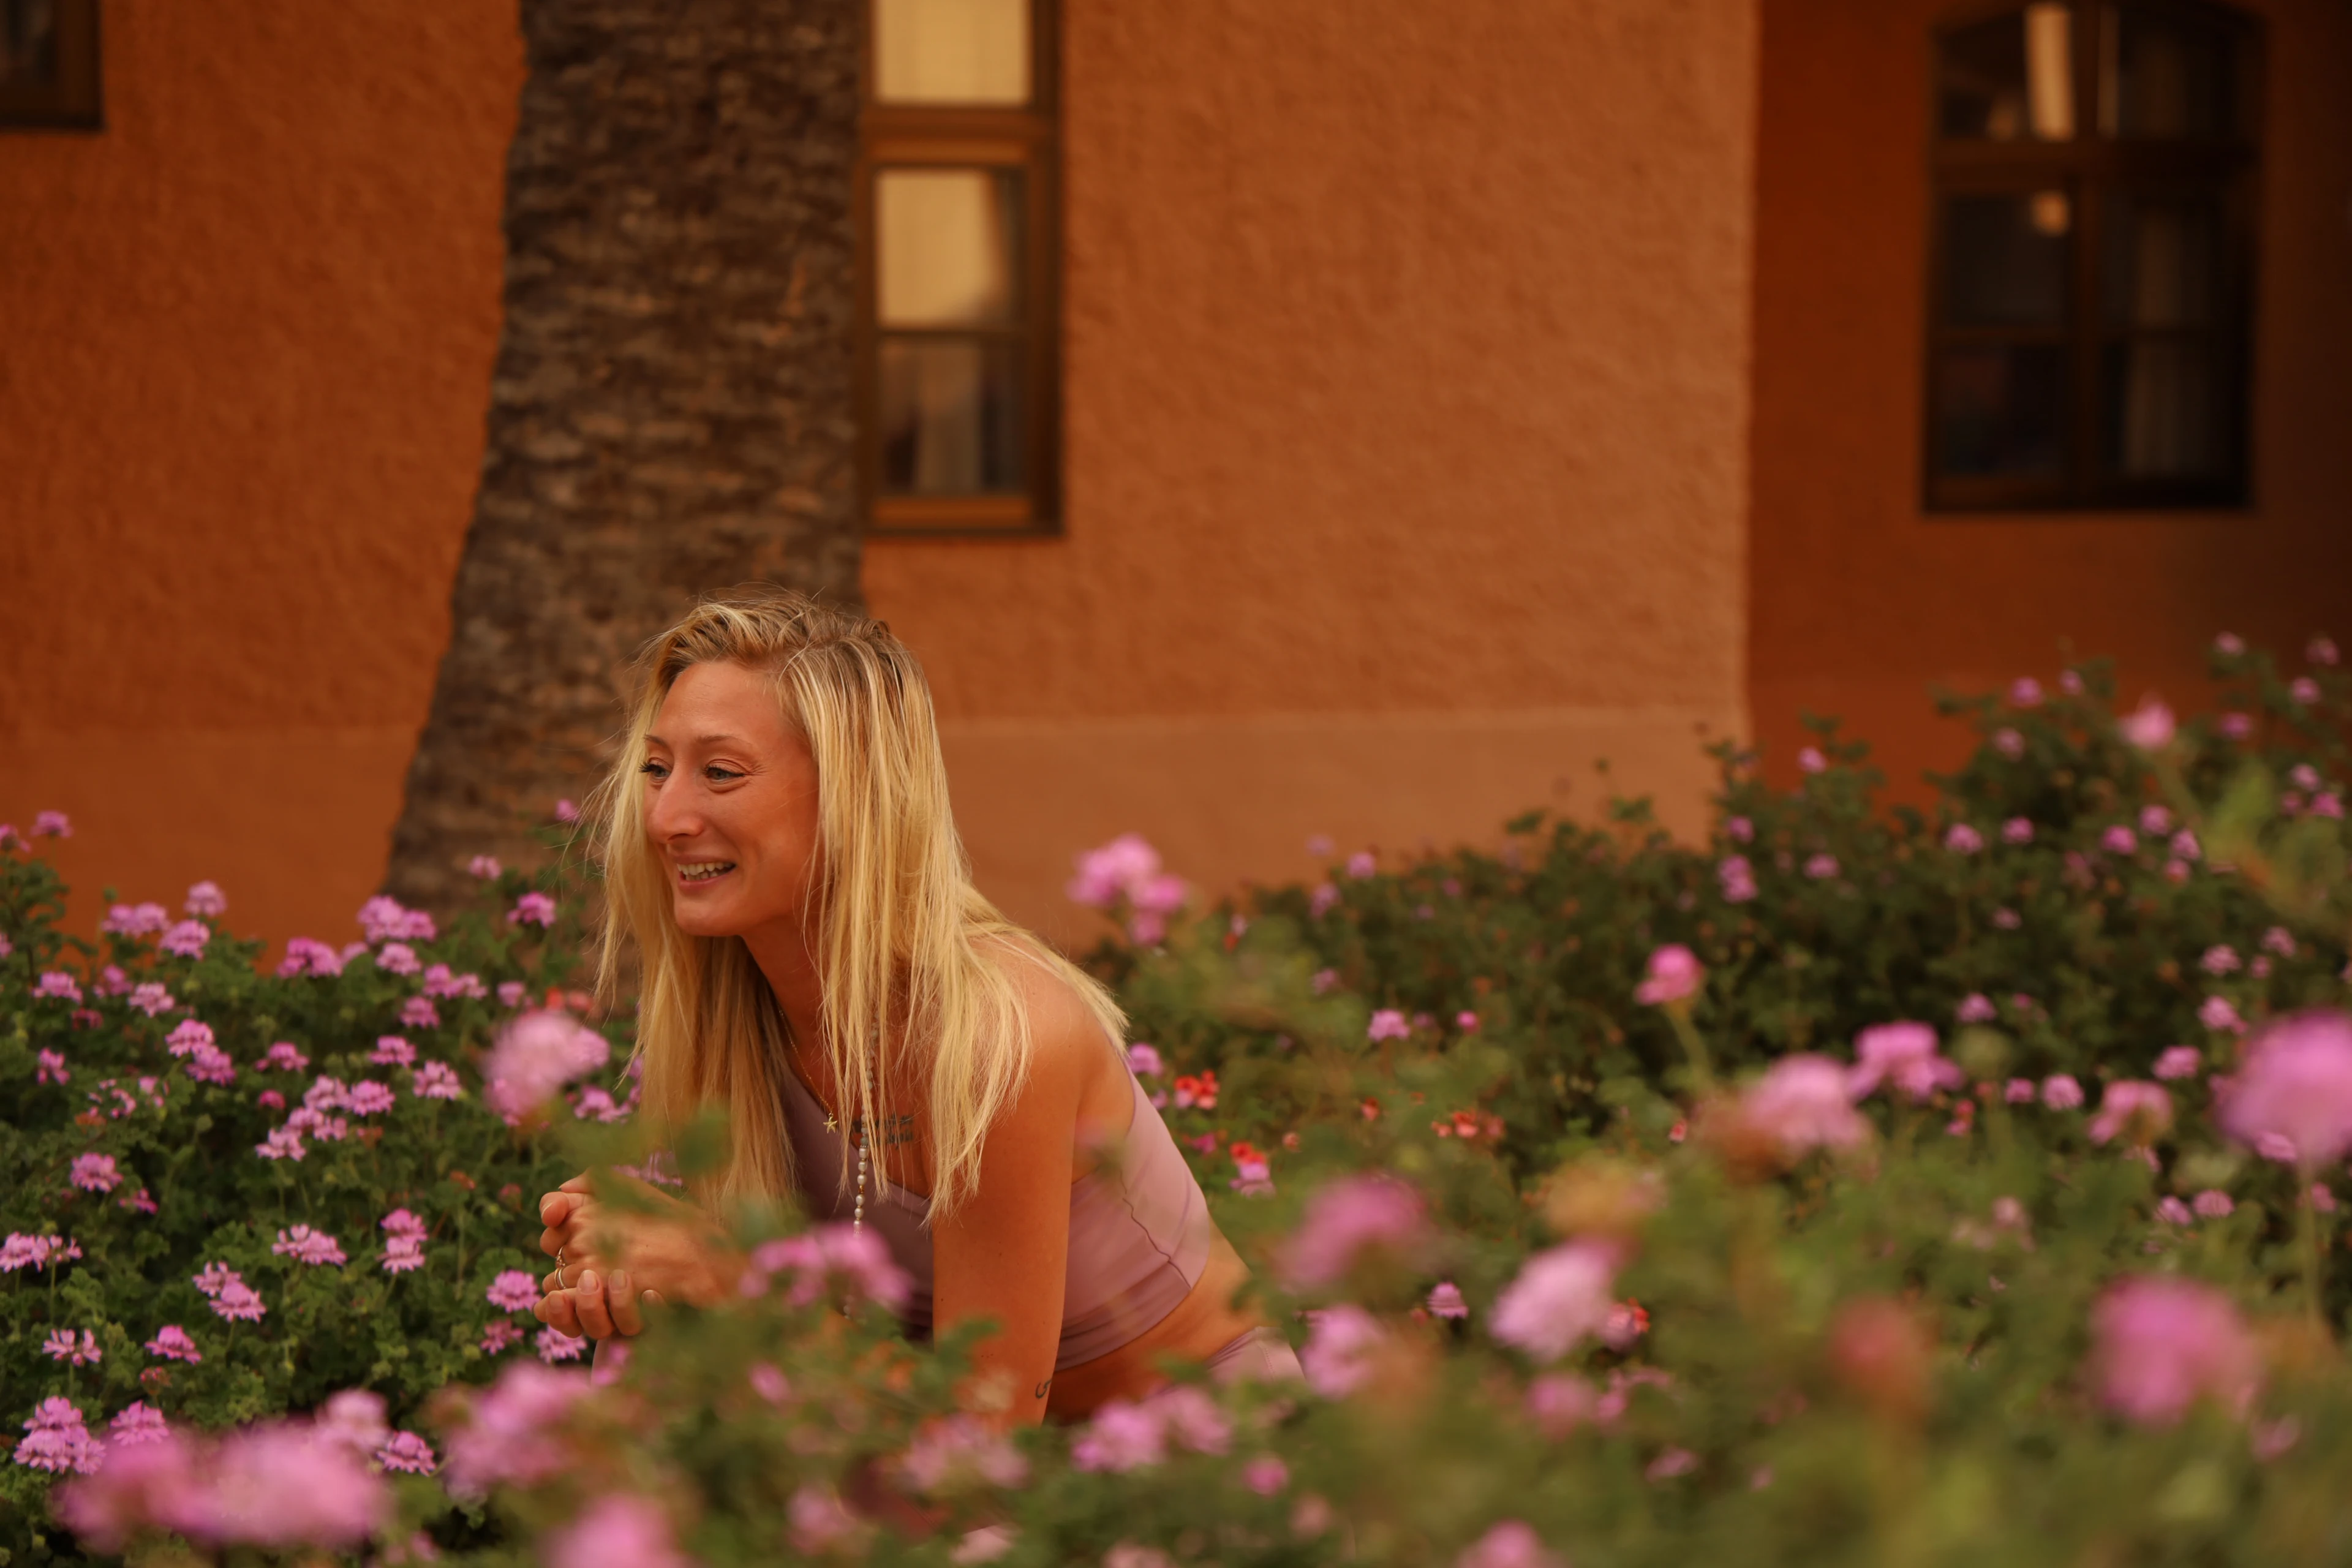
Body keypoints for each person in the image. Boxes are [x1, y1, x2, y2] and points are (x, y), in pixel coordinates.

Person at [530, 590, 1294, 1421]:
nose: (666, 817)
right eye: (655, 769)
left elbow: (983, 1437)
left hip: (1194, 1476)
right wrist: (624, 1274)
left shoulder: (1001, 1036)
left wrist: (729, 1274)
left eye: (720, 773)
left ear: (854, 796)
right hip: (920, 1464)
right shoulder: (719, 1020)